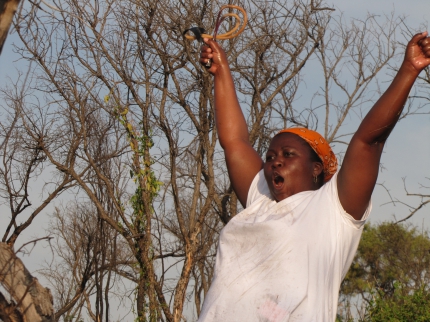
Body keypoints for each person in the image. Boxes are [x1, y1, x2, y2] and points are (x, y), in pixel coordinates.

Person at [197, 32, 430, 321]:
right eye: (269, 157)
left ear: (316, 168)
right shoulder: (261, 201)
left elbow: (367, 142)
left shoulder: (333, 210)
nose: (274, 161)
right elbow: (234, 141)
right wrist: (221, 71)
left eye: (287, 154)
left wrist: (410, 69)